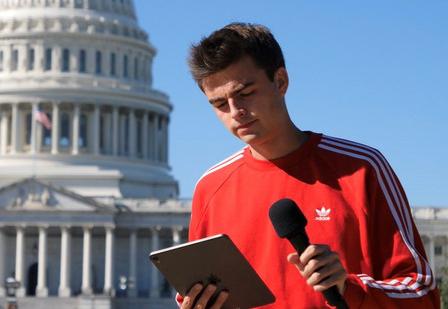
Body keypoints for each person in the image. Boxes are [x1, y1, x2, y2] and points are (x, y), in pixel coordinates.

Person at [177, 22, 440, 309]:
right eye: (219, 104)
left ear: (280, 82)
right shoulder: (211, 187)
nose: (235, 112)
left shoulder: (362, 168)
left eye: (245, 93)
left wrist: (347, 287)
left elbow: (422, 293)